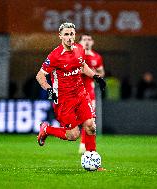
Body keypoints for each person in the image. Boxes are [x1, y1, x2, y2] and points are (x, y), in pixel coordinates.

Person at [35, 22, 106, 171]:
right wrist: (49, 89)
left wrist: (96, 77)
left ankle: (93, 160)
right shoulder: (55, 56)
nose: (69, 37)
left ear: (75, 36)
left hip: (80, 94)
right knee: (73, 135)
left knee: (91, 126)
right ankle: (47, 130)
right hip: (64, 100)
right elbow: (40, 75)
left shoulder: (80, 49)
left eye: (71, 34)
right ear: (60, 36)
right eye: (66, 34)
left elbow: (82, 66)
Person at [78, 34, 105, 154]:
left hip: (89, 93)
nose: (87, 42)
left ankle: (84, 144)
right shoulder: (76, 55)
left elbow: (101, 72)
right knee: (74, 122)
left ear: (92, 42)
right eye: (84, 40)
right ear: (80, 42)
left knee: (89, 120)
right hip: (74, 92)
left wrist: (95, 73)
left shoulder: (97, 57)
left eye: (89, 39)